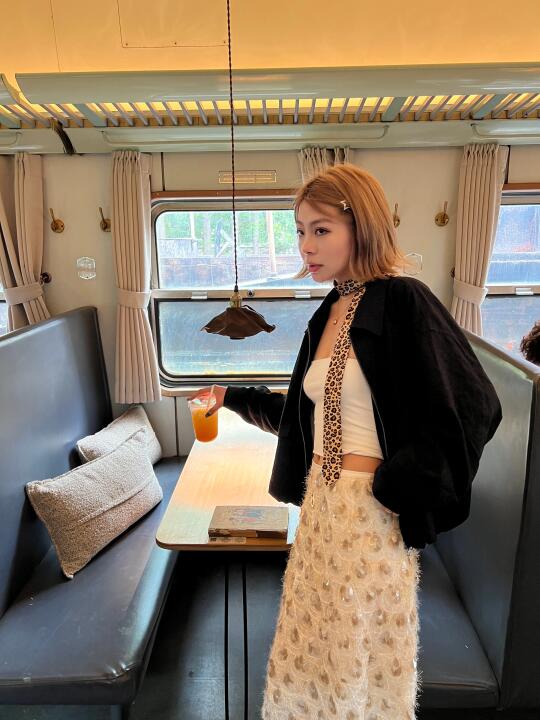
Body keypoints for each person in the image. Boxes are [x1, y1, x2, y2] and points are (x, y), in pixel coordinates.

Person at [188, 163, 502, 719]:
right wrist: (231, 395)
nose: (305, 246)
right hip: (322, 510)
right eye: (300, 231)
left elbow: (475, 407)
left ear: (363, 227)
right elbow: (304, 419)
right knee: (311, 658)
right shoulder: (330, 310)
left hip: (372, 518)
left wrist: (392, 484)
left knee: (357, 665)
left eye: (321, 229)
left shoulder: (404, 300)